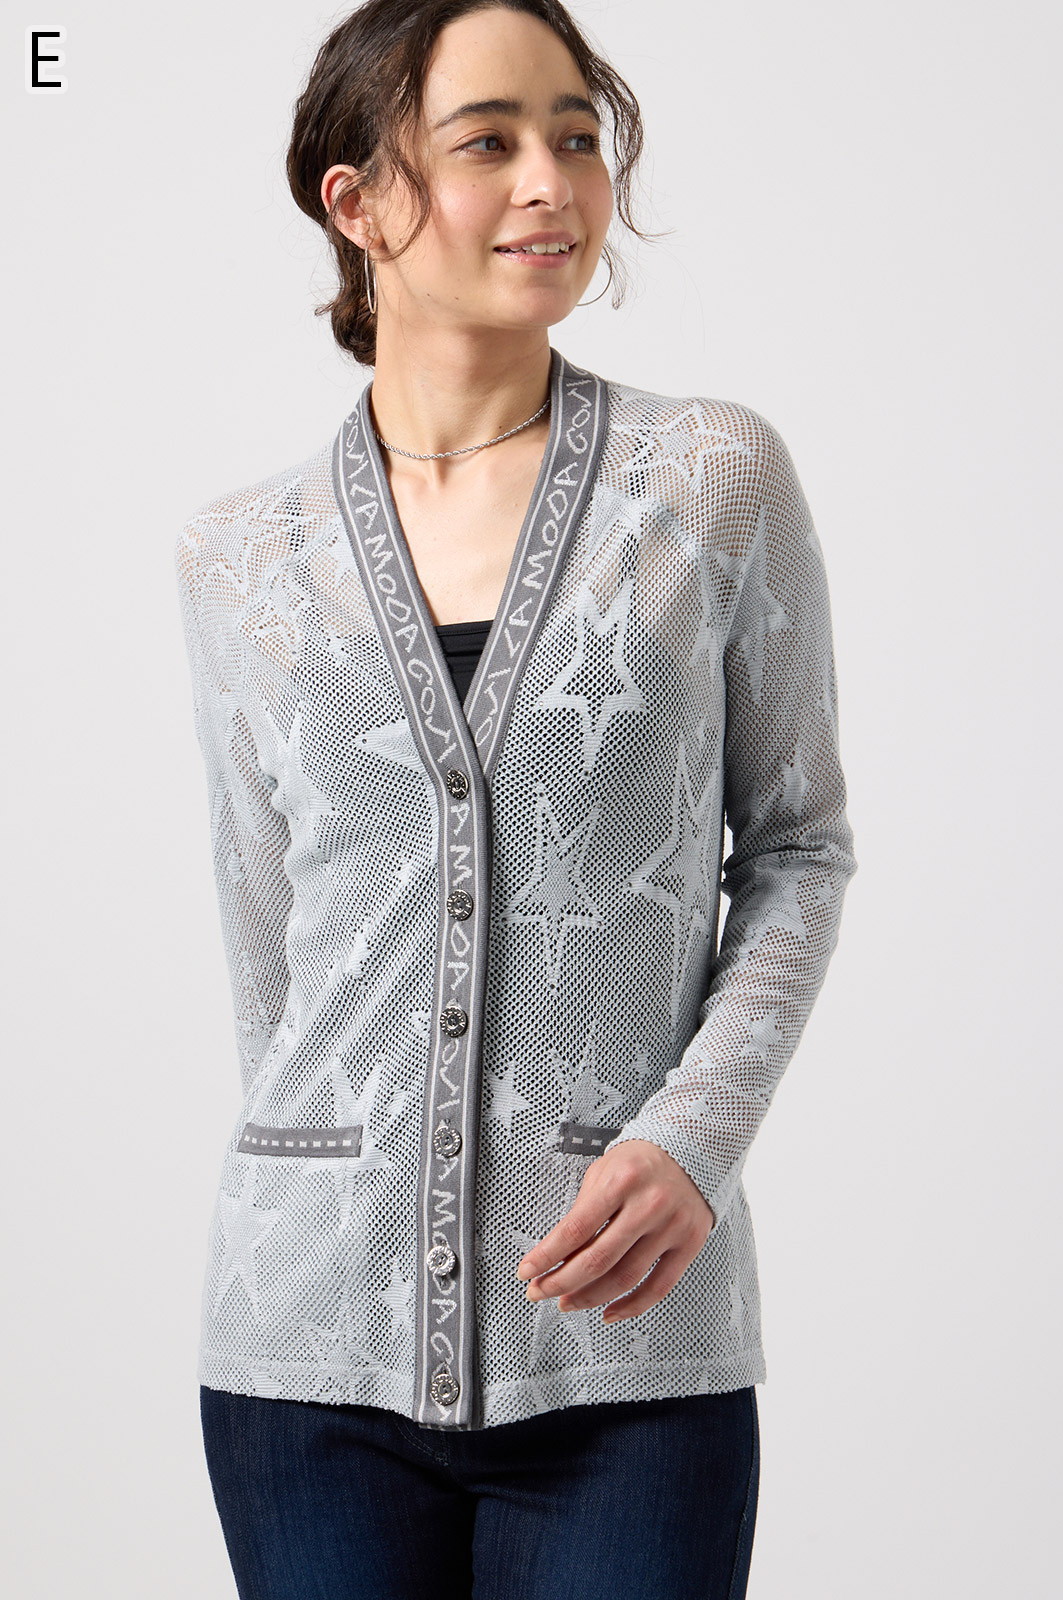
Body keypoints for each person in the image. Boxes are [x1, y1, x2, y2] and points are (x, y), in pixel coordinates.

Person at [175, 2, 858, 1595]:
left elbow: (799, 847)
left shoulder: (709, 481)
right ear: (358, 203)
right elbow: (268, 955)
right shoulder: (236, 557)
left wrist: (694, 1138)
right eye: (489, 141)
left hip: (629, 1346)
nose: (553, 180)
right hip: (301, 1363)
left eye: (577, 135)